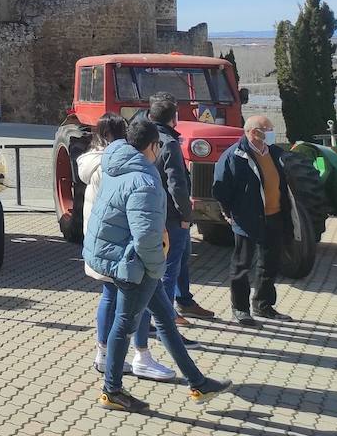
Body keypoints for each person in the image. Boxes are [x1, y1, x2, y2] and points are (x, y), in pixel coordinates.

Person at [84, 116, 231, 412]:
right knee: (125, 325)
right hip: (132, 263)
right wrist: (156, 268)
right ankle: (112, 391)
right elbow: (146, 236)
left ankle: (198, 383)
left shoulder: (116, 163)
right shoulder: (145, 180)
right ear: (153, 146)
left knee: (164, 319)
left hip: (116, 254)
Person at [81, 113, 173, 381]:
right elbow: (125, 212)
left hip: (103, 242)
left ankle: (107, 357)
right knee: (134, 306)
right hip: (119, 247)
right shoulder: (122, 166)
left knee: (114, 300)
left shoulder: (103, 162)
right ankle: (136, 358)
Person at [212, 115, 291, 326]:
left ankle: (263, 305)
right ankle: (240, 309)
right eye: (269, 129)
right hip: (247, 219)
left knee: (270, 263)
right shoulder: (234, 156)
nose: (272, 132)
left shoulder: (274, 153)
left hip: (274, 216)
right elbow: (221, 188)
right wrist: (228, 213)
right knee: (242, 265)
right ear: (254, 132)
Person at [147, 93, 215, 323]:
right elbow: (177, 184)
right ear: (174, 119)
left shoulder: (146, 139)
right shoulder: (170, 144)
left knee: (182, 256)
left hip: (156, 211)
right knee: (171, 264)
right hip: (172, 215)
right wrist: (186, 215)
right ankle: (165, 316)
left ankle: (184, 300)